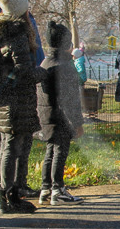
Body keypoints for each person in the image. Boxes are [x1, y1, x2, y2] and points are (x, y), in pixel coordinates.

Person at [0, 0, 44, 199]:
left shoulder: (17, 21)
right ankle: (5, 189)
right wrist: (42, 72)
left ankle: (17, 185)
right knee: (8, 142)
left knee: (20, 140)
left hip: (20, 90)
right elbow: (19, 68)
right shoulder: (3, 20)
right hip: (14, 92)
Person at [36, 21, 85, 205]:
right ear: (66, 44)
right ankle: (58, 189)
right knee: (60, 152)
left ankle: (46, 188)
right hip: (61, 117)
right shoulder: (64, 67)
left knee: (50, 151)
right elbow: (71, 100)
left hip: (46, 115)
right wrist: (77, 123)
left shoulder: (46, 62)